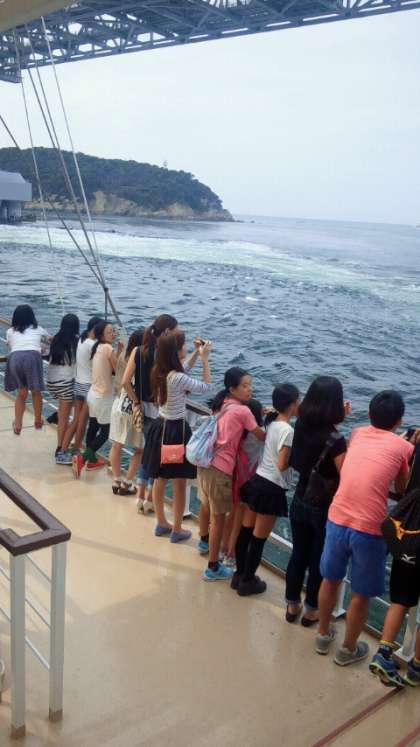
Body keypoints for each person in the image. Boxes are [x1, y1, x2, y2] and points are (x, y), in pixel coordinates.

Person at [316, 390, 414, 666]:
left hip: (337, 517)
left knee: (330, 579)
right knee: (360, 593)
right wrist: (407, 446)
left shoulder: (357, 433)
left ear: (370, 414)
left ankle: (322, 635)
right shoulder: (403, 448)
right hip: (369, 528)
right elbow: (402, 487)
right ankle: (347, 650)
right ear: (399, 421)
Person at [285, 376, 348, 626]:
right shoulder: (336, 440)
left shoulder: (300, 424)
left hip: (300, 497)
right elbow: (345, 474)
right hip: (324, 507)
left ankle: (292, 604)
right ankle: (311, 609)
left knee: (298, 554)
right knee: (317, 559)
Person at [142, 329, 212, 543]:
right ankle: (177, 529)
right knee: (180, 482)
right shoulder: (178, 378)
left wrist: (196, 353)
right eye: (184, 345)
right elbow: (206, 387)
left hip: (159, 428)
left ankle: (161, 523)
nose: (186, 347)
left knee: (160, 478)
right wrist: (205, 359)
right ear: (176, 351)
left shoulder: (159, 371)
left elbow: (183, 369)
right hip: (176, 431)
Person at [198, 367, 266, 582]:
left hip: (206, 463)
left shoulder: (222, 404)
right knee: (218, 520)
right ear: (232, 388)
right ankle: (213, 567)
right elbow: (262, 436)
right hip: (220, 470)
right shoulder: (243, 411)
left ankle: (205, 547)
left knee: (210, 510)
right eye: (245, 386)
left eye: (250, 385)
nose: (250, 389)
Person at [233, 384, 300, 596]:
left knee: (246, 531)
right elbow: (282, 464)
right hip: (272, 488)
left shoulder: (271, 423)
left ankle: (238, 575)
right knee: (258, 539)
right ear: (292, 404)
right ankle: (248, 581)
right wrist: (299, 459)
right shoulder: (288, 431)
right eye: (298, 401)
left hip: (258, 481)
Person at [72, 320, 119, 477]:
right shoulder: (108, 348)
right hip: (104, 397)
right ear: (101, 335)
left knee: (93, 426)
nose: (113, 334)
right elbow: (118, 370)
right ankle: (83, 459)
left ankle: (91, 460)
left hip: (92, 394)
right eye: (109, 332)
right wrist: (121, 351)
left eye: (113, 331)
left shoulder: (96, 347)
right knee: (106, 432)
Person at [109, 329, 145, 496]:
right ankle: (128, 482)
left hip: (118, 403)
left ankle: (116, 479)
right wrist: (136, 401)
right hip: (134, 407)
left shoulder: (123, 355)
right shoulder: (140, 359)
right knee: (140, 448)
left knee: (117, 444)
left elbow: (119, 380)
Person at [5, 304, 49, 434]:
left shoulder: (10, 331)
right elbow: (48, 341)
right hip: (32, 357)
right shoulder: (39, 329)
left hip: (15, 358)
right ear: (32, 317)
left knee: (21, 393)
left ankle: (18, 424)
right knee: (36, 392)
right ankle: (38, 421)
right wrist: (43, 349)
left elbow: (11, 345)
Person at [47, 313, 80, 465]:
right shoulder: (76, 342)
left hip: (52, 382)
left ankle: (57, 415)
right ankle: (60, 450)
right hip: (65, 384)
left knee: (64, 413)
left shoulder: (56, 339)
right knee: (68, 418)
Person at [73, 316, 103, 452]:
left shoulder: (82, 339)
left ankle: (73, 445)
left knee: (77, 419)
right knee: (83, 421)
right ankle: (76, 448)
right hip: (88, 386)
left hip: (78, 382)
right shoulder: (92, 345)